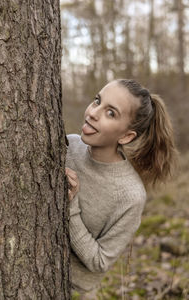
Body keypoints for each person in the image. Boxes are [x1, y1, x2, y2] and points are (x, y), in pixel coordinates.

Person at [65, 79, 178, 299]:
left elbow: (100, 261)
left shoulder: (130, 195)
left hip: (74, 290)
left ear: (126, 136)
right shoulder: (68, 145)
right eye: (97, 101)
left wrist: (71, 206)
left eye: (111, 113)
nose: (93, 113)